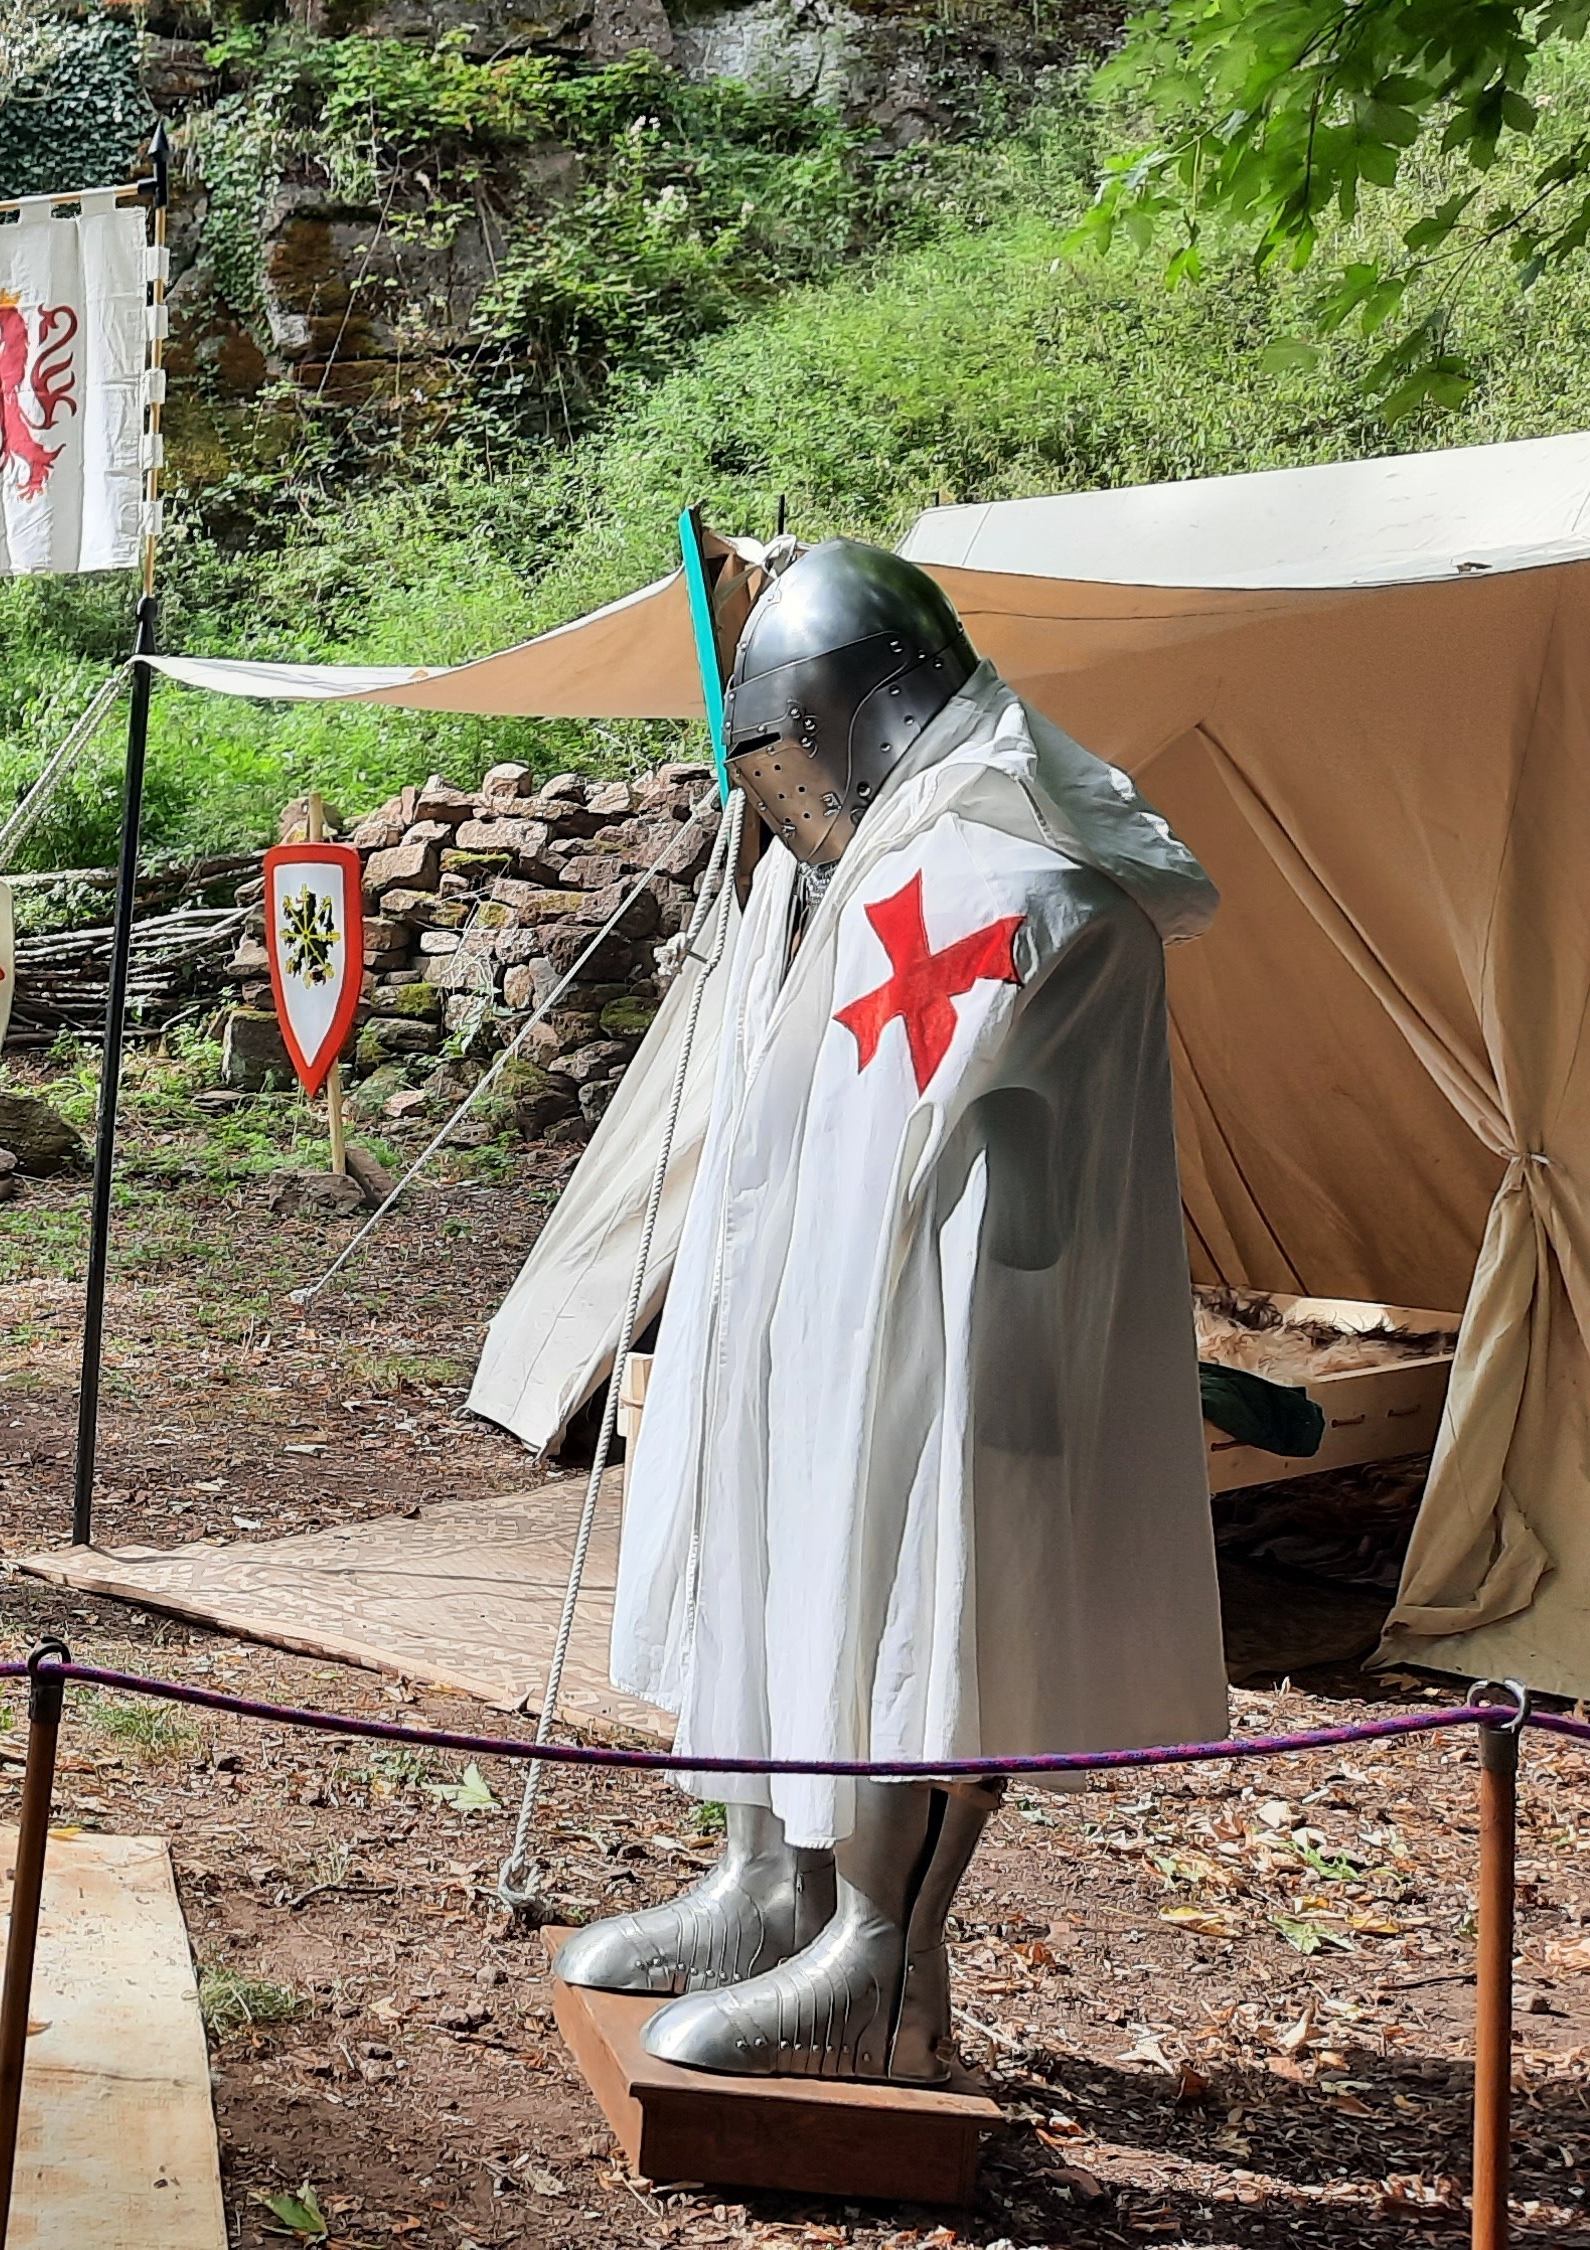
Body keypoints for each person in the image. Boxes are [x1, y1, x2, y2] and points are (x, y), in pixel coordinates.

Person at [557, 540, 1225, 2085]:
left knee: (914, 1597)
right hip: (806, 1314)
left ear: (862, 707)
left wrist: (995, 1380)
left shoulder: (1030, 884)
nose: (774, 794)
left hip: (952, 1340)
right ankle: (766, 1886)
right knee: (782, 1549)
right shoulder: (866, 872)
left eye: (783, 745)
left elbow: (1036, 1199)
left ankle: (880, 1962)